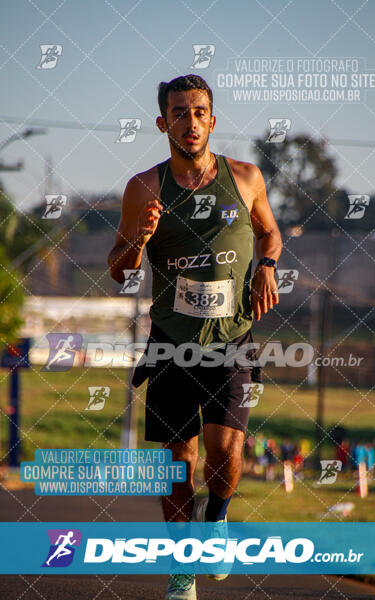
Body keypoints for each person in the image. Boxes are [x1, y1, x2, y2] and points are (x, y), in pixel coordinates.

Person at [108, 74, 282, 600]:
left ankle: (219, 519)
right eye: (179, 113)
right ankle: (183, 567)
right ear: (164, 123)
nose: (191, 122)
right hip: (171, 344)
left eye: (200, 111)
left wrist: (267, 266)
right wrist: (138, 240)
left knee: (226, 453)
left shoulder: (246, 177)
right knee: (176, 468)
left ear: (213, 118)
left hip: (232, 341)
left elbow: (269, 230)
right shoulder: (144, 187)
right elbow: (118, 269)